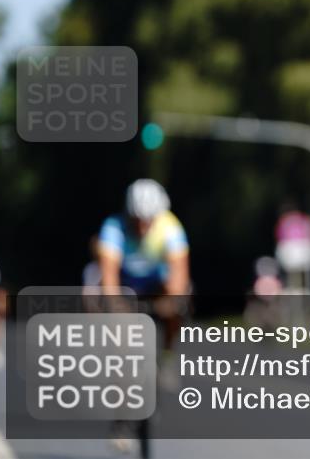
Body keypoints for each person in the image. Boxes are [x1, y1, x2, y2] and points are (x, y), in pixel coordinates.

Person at [98, 179, 190, 454]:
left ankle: (168, 353)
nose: (142, 226)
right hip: (127, 288)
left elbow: (178, 279)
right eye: (137, 220)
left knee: (181, 304)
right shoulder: (113, 228)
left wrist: (170, 304)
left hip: (157, 287)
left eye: (147, 221)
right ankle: (121, 420)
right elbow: (109, 281)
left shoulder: (171, 228)